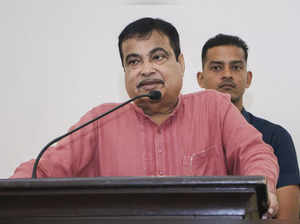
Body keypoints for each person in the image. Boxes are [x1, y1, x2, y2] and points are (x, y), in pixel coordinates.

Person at [11, 18, 279, 217]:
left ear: (181, 63)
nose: (146, 70)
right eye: (134, 61)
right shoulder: (102, 120)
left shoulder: (213, 108)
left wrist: (262, 184)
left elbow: (254, 151)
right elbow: (42, 170)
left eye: (158, 57)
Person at [197, 33, 300, 219]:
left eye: (236, 67)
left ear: (248, 78)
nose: (227, 74)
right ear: (201, 79)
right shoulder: (187, 132)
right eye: (216, 67)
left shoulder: (275, 136)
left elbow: (288, 219)